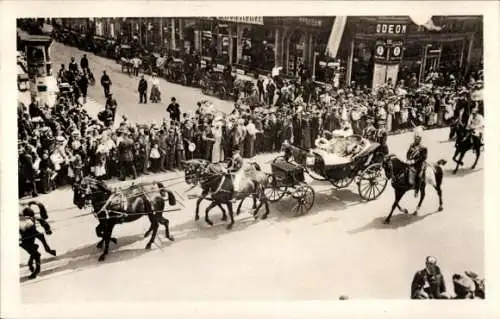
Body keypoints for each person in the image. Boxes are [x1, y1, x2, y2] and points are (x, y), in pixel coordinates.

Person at [406, 126, 428, 197]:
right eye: (415, 138)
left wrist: (414, 161)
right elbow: (408, 153)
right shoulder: (412, 145)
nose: (416, 139)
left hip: (420, 164)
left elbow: (424, 158)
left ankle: (417, 190)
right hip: (411, 162)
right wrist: (408, 159)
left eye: (418, 138)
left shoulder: (423, 147)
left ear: (420, 139)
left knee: (419, 176)